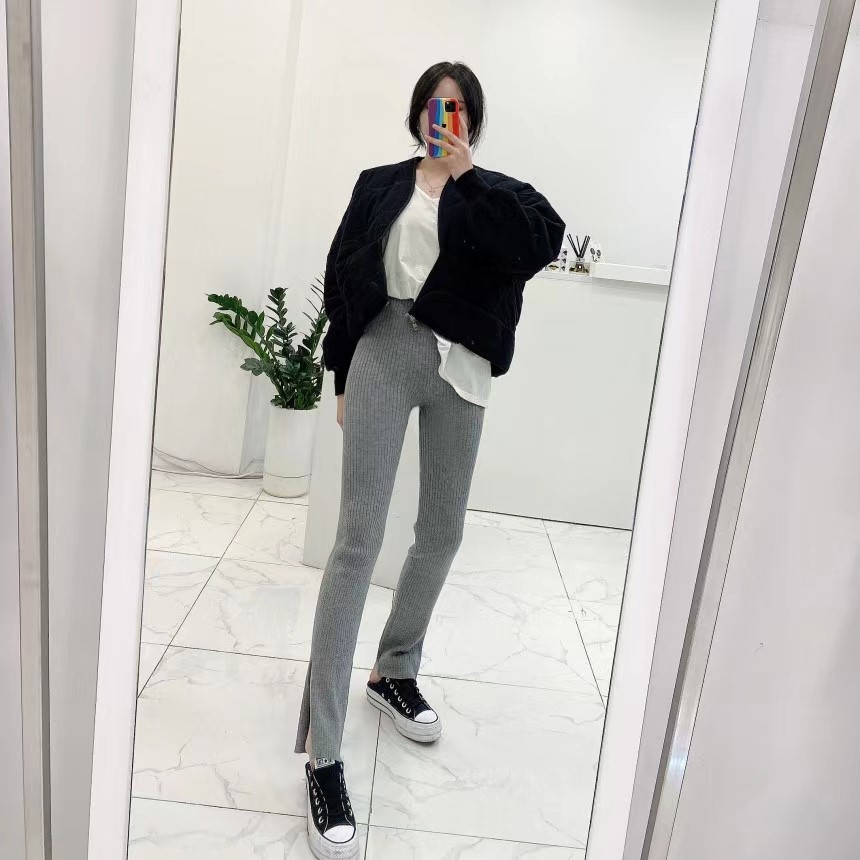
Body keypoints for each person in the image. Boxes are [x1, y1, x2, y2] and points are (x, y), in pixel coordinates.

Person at [295, 60, 564, 859]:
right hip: (384, 350)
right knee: (357, 542)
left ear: (472, 120)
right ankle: (324, 753)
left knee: (442, 531)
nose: (442, 120)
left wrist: (467, 175)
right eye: (431, 108)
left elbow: (533, 248)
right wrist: (343, 374)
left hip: (462, 367)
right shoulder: (380, 184)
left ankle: (393, 670)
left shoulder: (502, 194)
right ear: (416, 115)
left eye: (456, 110)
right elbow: (344, 274)